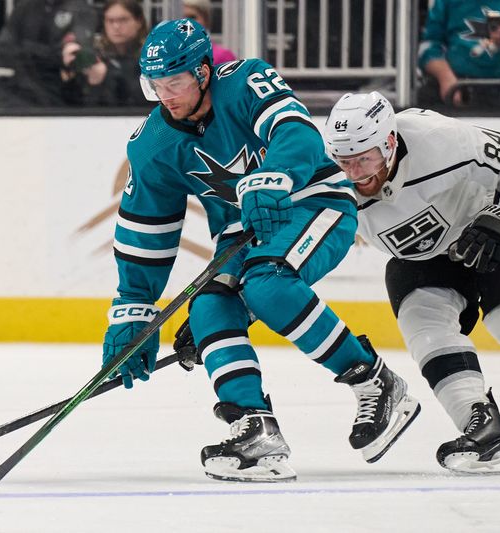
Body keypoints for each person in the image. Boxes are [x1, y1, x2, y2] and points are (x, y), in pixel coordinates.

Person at [100, 19, 420, 483]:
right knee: (209, 305)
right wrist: (134, 306)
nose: (165, 96)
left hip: (312, 200)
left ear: (204, 72)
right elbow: (145, 231)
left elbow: (298, 132)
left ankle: (374, 380)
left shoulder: (247, 80)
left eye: (175, 83)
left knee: (267, 285)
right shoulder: (152, 146)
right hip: (241, 230)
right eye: (155, 86)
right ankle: (255, 429)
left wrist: (277, 175)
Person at [322, 92, 500, 473]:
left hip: (485, 230)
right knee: (421, 316)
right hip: (423, 257)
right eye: (345, 161)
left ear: (390, 142)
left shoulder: (436, 138)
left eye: (366, 158)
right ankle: (485, 428)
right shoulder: (325, 176)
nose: (355, 173)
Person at [0, 0, 99, 106]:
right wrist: (50, 54)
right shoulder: (24, 6)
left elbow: (78, 54)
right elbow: (3, 48)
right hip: (20, 92)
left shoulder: (81, 9)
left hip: (61, 99)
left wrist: (28, 49)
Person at [80, 0, 148, 107]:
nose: (116, 26)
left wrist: (108, 75)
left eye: (123, 20)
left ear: (138, 22)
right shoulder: (95, 56)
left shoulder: (151, 56)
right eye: (110, 21)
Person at [182, 0, 236, 65]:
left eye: (192, 17)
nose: (187, 23)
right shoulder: (175, 56)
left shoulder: (223, 57)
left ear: (206, 20)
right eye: (183, 18)